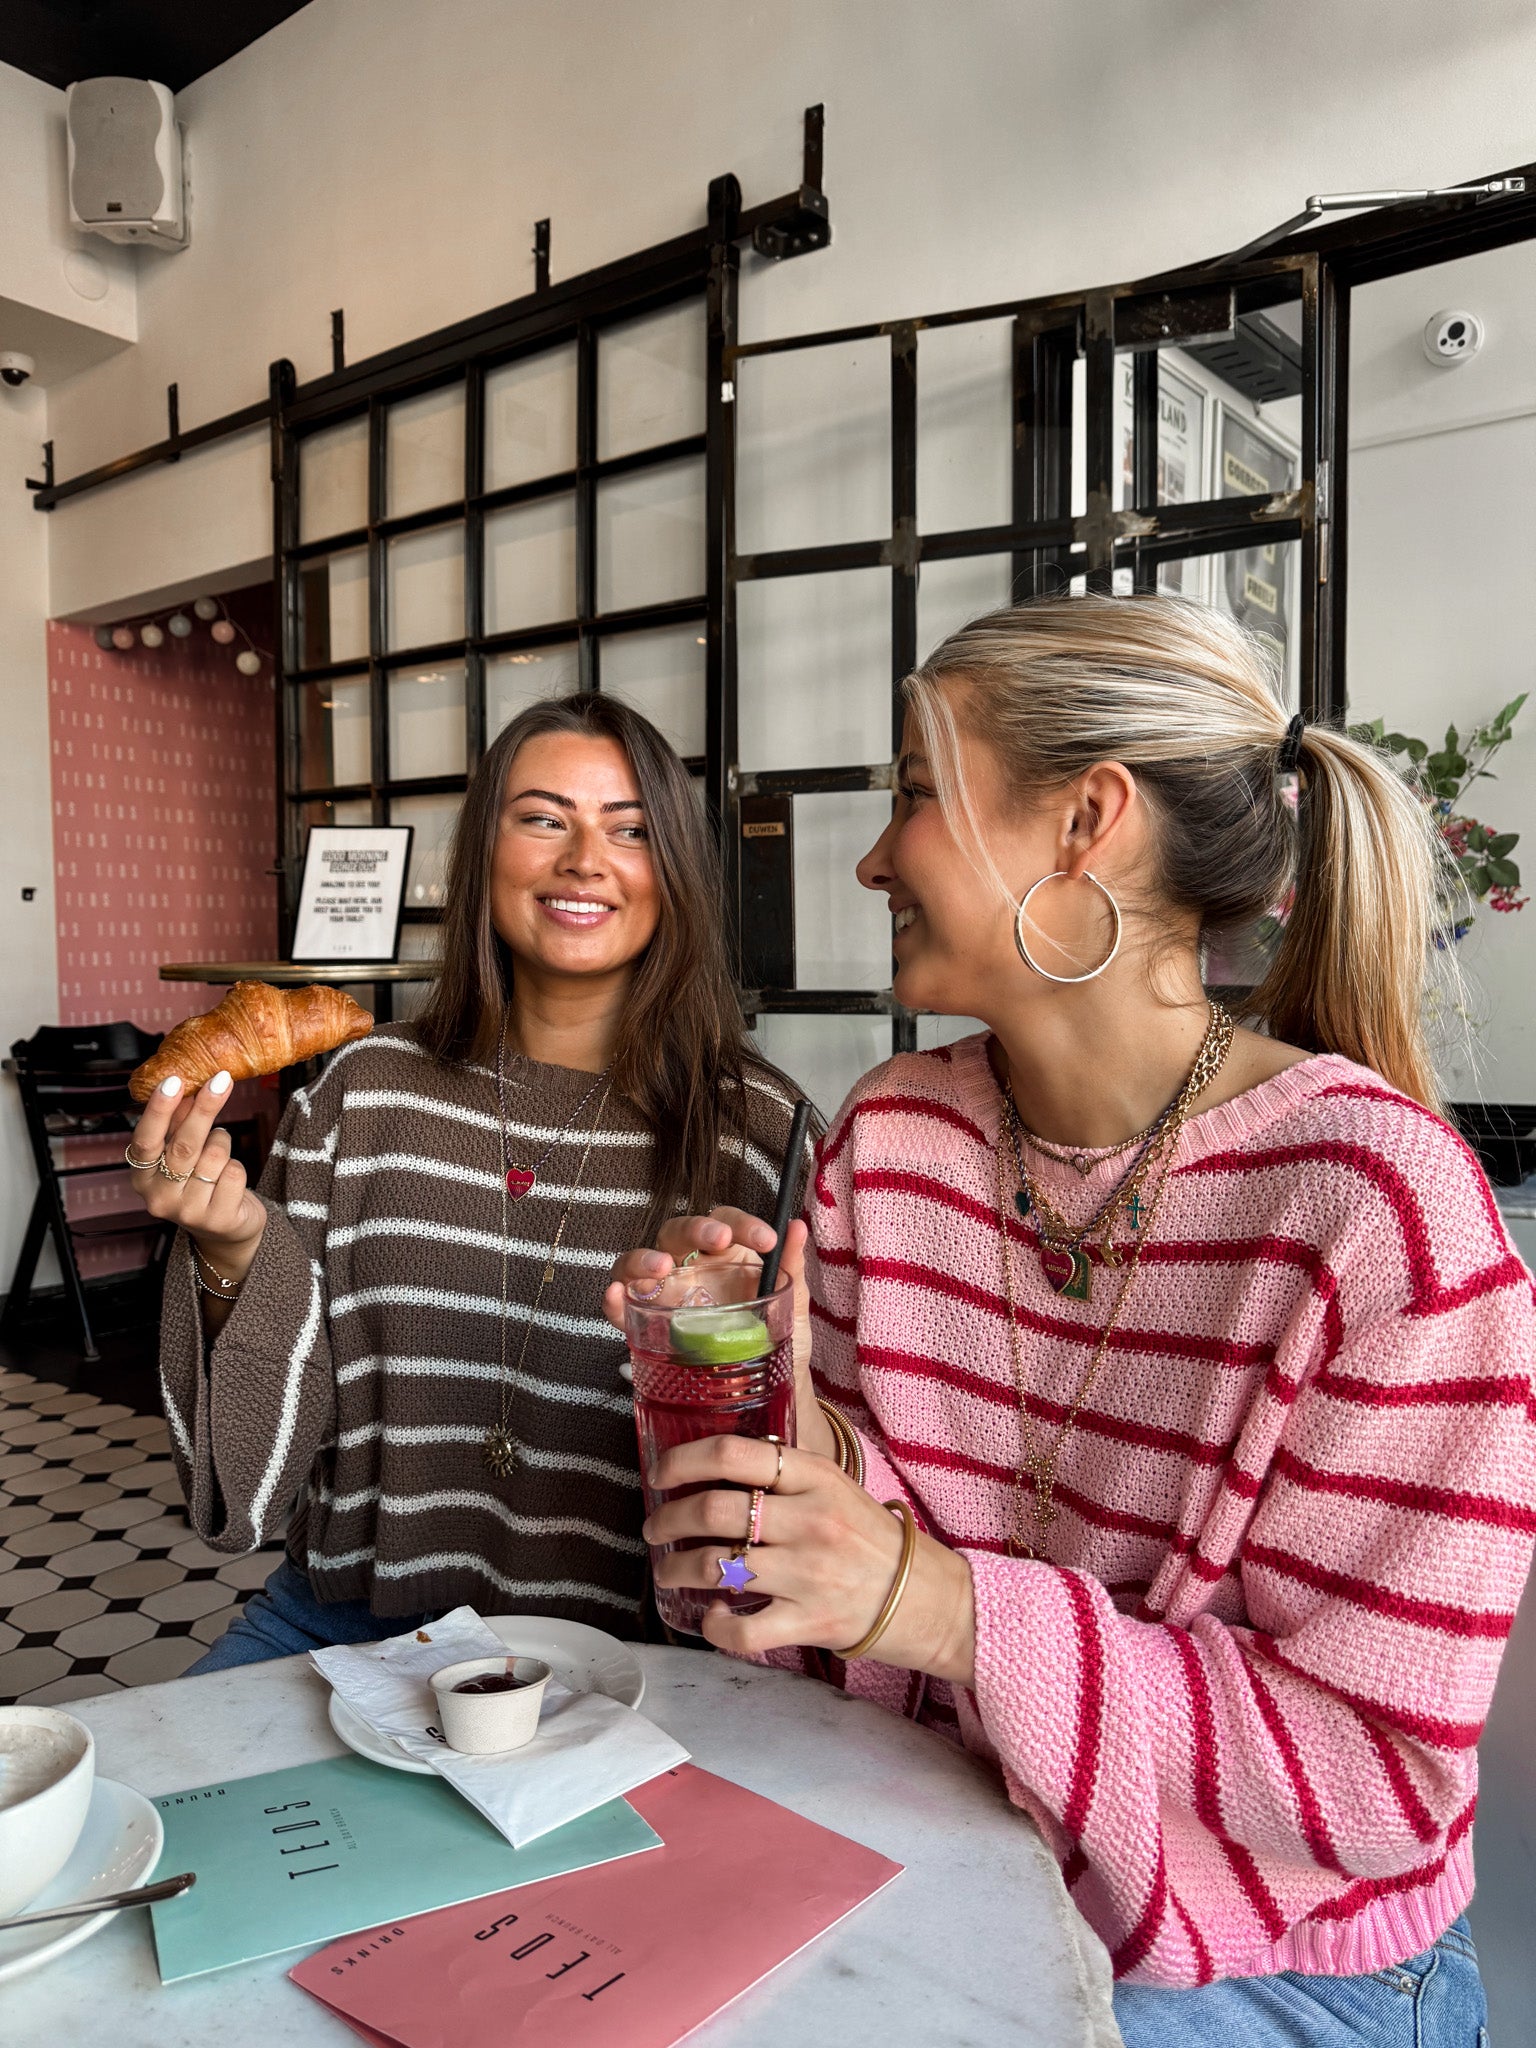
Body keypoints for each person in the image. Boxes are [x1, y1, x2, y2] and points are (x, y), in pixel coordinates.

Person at [609, 596, 1534, 2044]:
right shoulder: (894, 1138)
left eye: (914, 793)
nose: (868, 856)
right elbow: (801, 1609)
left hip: (1280, 1956)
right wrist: (761, 1408)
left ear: (1083, 821)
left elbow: (1371, 1779)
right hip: (954, 1852)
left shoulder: (1378, 1210)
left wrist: (940, 1602)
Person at [127, 693, 811, 1667]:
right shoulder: (359, 1096)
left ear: (677, 872)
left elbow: (774, 1526)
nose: (584, 857)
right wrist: (235, 1251)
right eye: (544, 818)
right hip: (345, 1631)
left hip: (633, 1666)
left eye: (630, 829)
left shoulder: (761, 1137)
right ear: (483, 853)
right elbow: (247, 1495)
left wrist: (731, 1642)